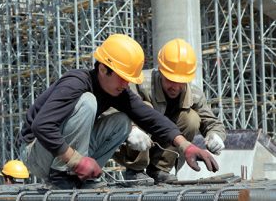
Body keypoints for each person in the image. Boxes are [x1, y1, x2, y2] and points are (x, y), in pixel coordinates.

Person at [17, 34, 219, 189]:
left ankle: (81, 177)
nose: (127, 83)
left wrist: (185, 146)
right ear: (104, 69)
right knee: (88, 102)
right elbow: (41, 126)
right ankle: (62, 176)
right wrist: (75, 159)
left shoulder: (117, 90)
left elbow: (150, 118)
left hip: (60, 155)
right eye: (123, 77)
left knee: (122, 121)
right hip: (36, 152)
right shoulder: (75, 83)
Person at [113, 38, 226, 184]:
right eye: (170, 80)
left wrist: (215, 135)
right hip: (133, 145)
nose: (175, 86)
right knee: (144, 108)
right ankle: (136, 170)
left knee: (191, 118)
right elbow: (113, 108)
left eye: (180, 82)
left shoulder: (194, 95)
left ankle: (159, 169)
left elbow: (212, 122)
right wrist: (131, 129)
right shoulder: (140, 84)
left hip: (166, 143)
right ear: (160, 71)